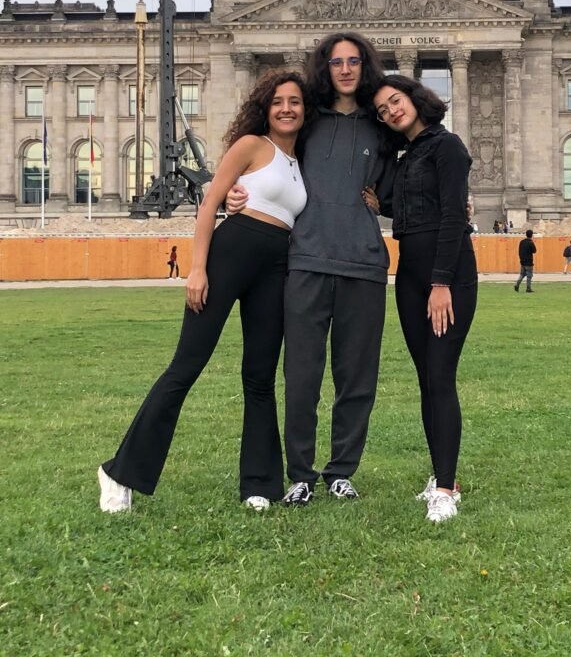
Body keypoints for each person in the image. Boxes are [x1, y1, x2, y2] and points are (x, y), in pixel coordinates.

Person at [97, 70, 309, 514]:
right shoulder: (252, 146)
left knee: (260, 377)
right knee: (186, 367)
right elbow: (210, 202)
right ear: (265, 109)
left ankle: (260, 485)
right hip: (229, 254)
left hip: (276, 266)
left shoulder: (299, 160)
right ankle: (119, 472)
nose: (286, 108)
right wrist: (197, 269)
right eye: (278, 102)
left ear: (305, 110)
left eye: (295, 101)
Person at [227, 32, 396, 507]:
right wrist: (233, 191)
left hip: (363, 263)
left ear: (365, 67)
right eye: (336, 61)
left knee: (356, 377)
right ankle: (300, 473)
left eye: (354, 61)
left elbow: (410, 180)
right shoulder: (307, 121)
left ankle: (341, 470)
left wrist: (387, 203)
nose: (345, 69)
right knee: (301, 375)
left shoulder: (381, 126)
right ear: (325, 67)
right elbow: (263, 160)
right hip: (305, 261)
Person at [371, 74, 477, 524]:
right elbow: (407, 205)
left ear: (414, 99)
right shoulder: (407, 154)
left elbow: (453, 214)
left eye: (395, 101)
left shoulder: (446, 145)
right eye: (381, 110)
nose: (391, 111)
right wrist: (378, 202)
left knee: (440, 374)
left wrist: (440, 283)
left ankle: (448, 488)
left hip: (444, 273)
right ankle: (439, 476)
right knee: (426, 380)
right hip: (410, 269)